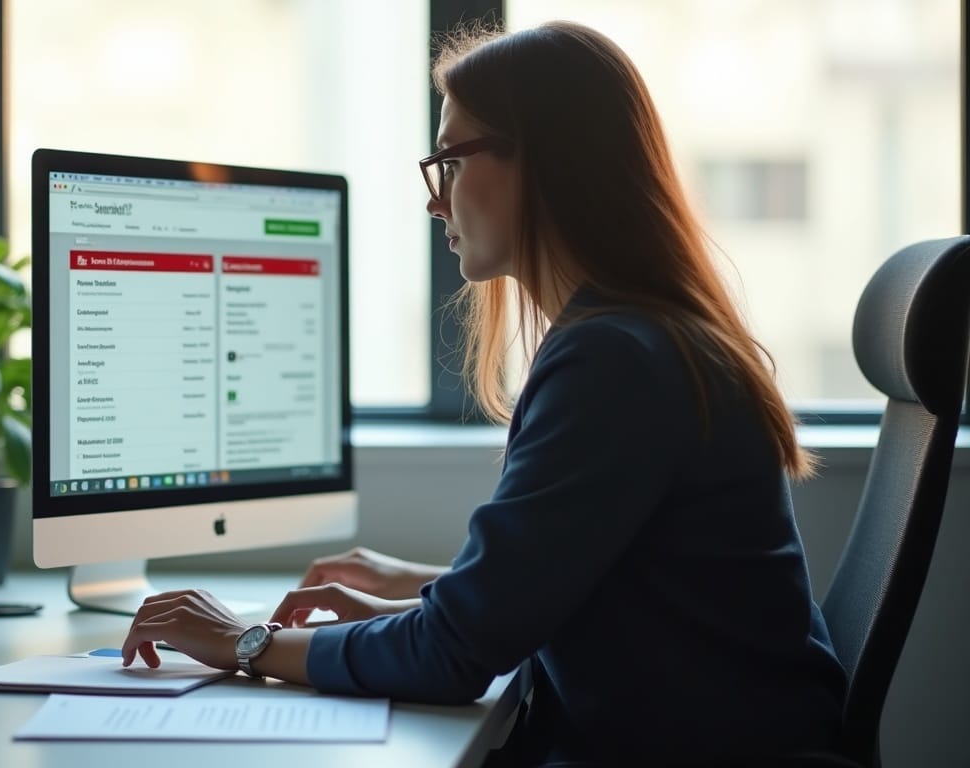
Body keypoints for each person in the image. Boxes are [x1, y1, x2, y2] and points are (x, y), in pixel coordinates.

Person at [121, 20, 847, 766]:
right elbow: (607, 588)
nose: (437, 203)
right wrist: (428, 590)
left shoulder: (612, 362)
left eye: (450, 164)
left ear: (542, 163)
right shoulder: (643, 337)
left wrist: (244, 644)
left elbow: (454, 656)